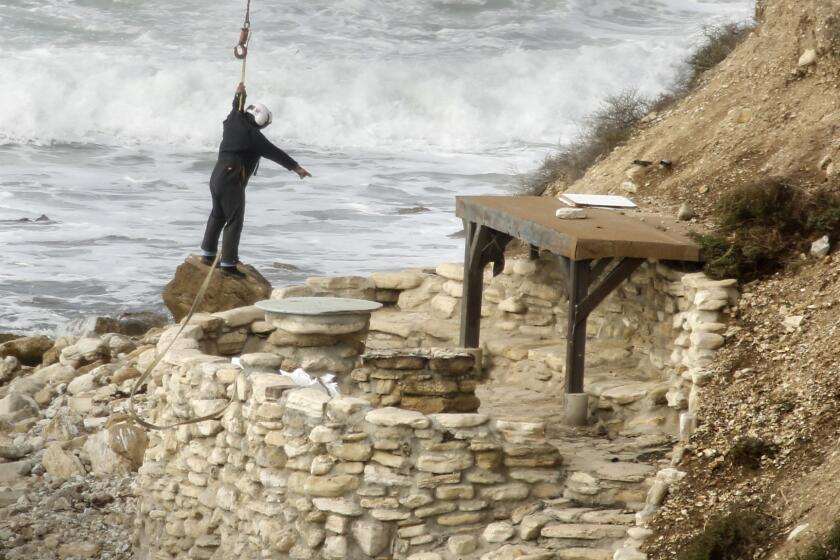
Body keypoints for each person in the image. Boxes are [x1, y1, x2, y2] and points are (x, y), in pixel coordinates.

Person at [200, 82, 311, 278]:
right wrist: (296, 168)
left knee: (217, 215)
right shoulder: (253, 135)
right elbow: (275, 153)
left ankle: (208, 255)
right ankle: (228, 265)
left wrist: (239, 94)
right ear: (261, 121)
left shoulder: (233, 119)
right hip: (232, 179)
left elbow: (236, 107)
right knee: (234, 220)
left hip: (216, 176)